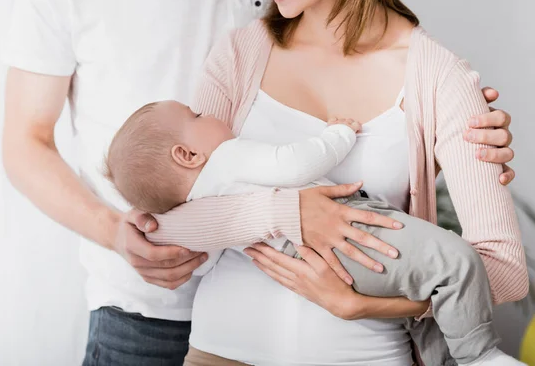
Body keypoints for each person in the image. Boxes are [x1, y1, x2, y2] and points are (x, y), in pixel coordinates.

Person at [1, 0, 519, 365]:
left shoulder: (439, 76)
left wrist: (368, 305)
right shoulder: (242, 51)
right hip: (209, 349)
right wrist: (286, 212)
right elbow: (170, 218)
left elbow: (502, 270)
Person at [104, 99, 521, 365]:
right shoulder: (227, 153)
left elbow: (191, 252)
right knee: (450, 266)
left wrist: (357, 306)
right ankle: (478, 356)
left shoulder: (198, 197)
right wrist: (338, 133)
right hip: (228, 345)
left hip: (343, 289)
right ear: (187, 154)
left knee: (430, 305)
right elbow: (296, 165)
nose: (206, 112)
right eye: (196, 116)